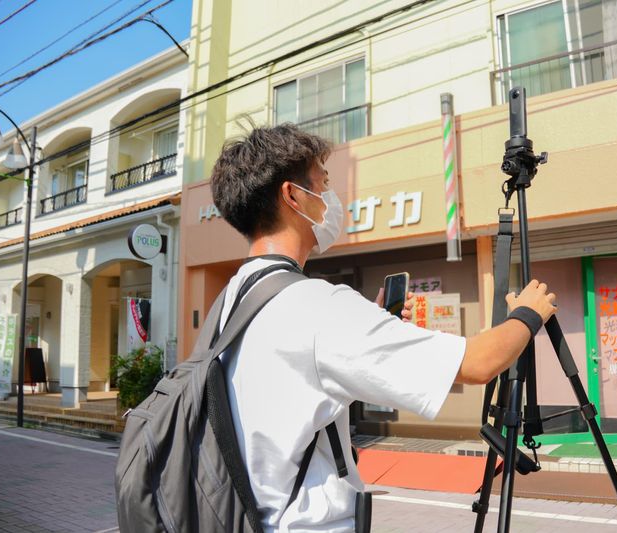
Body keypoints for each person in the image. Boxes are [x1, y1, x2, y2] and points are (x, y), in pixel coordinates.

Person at [209, 124, 557, 532]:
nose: (331, 200)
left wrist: (370, 321)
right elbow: (480, 363)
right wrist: (529, 314)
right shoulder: (318, 306)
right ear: (292, 196)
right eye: (323, 184)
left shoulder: (229, 301)